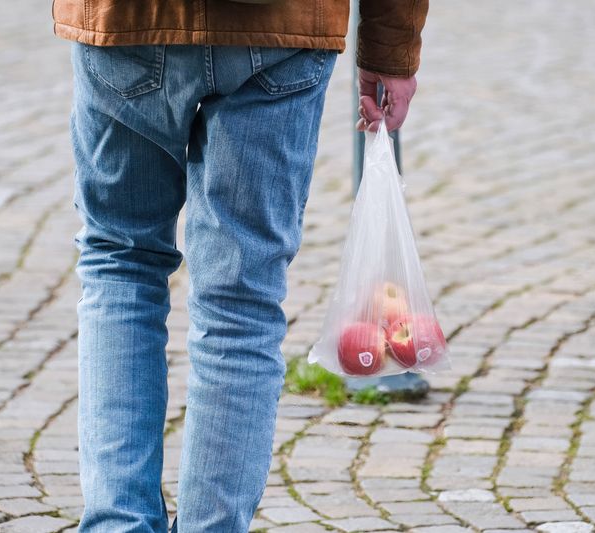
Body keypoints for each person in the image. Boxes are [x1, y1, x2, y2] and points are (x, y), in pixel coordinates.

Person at [52, 1, 428, 531]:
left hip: (127, 18)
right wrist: (392, 49)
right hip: (281, 26)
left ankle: (118, 523)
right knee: (240, 299)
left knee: (122, 262)